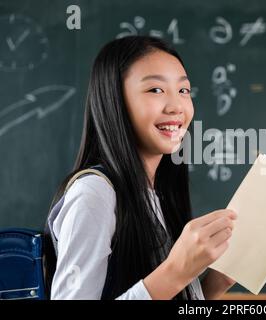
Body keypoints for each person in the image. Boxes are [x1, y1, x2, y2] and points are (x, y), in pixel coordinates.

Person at [43, 36, 237, 300]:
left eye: (183, 90)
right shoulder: (94, 194)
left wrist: (213, 284)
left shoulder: (154, 194)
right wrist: (175, 272)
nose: (176, 106)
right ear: (115, 101)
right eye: (155, 90)